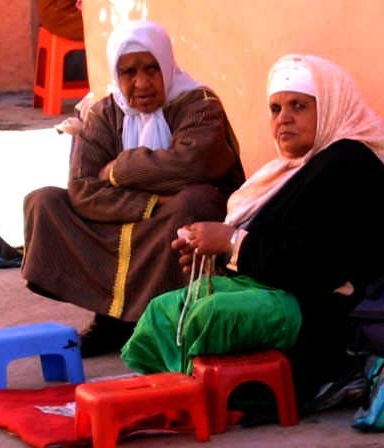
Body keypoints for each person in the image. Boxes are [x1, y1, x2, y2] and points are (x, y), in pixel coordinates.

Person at [121, 54, 384, 409]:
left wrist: (230, 243)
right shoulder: (294, 169)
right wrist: (216, 252)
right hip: (278, 290)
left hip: (323, 310)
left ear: (333, 106)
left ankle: (213, 395)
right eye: (275, 109)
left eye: (298, 106)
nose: (284, 119)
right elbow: (276, 246)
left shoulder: (348, 163)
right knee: (162, 311)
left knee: (209, 316)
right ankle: (176, 393)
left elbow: (315, 264)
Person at [22, 20, 245, 357]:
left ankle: (171, 320)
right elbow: (83, 188)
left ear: (167, 64)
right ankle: (112, 320)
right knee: (44, 202)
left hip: (179, 221)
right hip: (145, 218)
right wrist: (155, 202)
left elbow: (191, 165)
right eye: (128, 73)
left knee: (192, 202)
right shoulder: (104, 114)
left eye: (151, 68)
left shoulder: (198, 104)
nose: (141, 83)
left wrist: (118, 171)